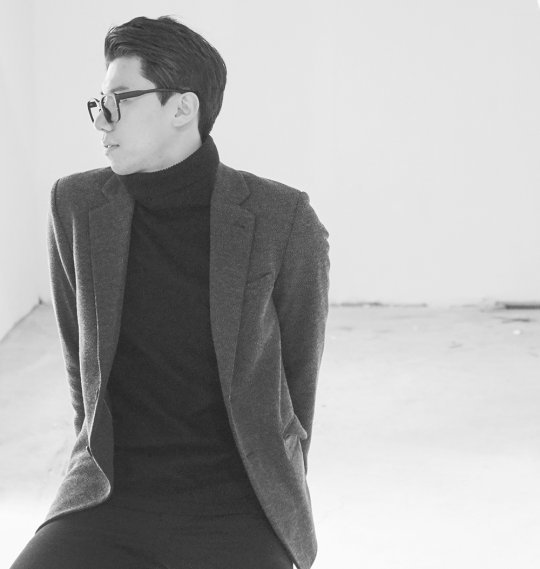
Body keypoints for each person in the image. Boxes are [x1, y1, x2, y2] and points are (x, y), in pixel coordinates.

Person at [10, 14, 330, 569]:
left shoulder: (281, 218)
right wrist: (89, 459)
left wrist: (278, 479)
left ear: (182, 109)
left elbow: (299, 381)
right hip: (109, 494)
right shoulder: (76, 207)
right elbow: (81, 366)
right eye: (100, 103)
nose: (102, 120)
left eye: (120, 101)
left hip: (239, 502)